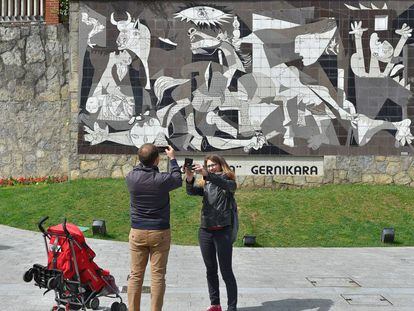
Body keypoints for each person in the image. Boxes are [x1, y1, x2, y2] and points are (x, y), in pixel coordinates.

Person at [126, 144, 182, 311]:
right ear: (157, 160)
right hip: (159, 232)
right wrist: (172, 159)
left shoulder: (131, 178)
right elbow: (177, 179)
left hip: (137, 231)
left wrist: (146, 156)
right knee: (158, 277)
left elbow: (140, 167)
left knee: (135, 276)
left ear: (139, 160)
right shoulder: (161, 180)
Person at [185, 154, 238, 311]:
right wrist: (189, 178)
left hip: (223, 231)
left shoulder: (229, 181)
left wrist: (208, 175)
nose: (211, 167)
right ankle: (215, 304)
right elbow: (191, 192)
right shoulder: (206, 183)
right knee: (210, 270)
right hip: (206, 231)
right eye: (208, 166)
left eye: (214, 164)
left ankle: (232, 307)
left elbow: (223, 184)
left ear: (222, 165)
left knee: (226, 271)